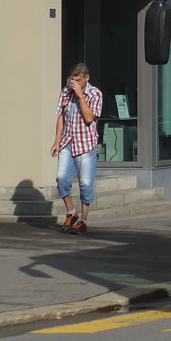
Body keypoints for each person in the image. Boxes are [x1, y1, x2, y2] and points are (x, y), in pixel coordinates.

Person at [50, 63, 103, 235]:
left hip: (86, 144)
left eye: (78, 80)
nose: (74, 83)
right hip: (67, 142)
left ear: (87, 78)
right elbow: (61, 117)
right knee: (61, 179)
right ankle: (71, 212)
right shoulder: (66, 92)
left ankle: (84, 219)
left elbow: (89, 118)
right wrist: (57, 141)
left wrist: (80, 96)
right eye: (73, 79)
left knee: (86, 183)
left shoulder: (95, 94)